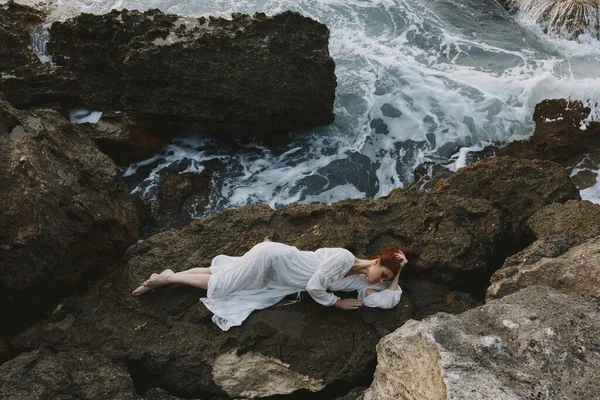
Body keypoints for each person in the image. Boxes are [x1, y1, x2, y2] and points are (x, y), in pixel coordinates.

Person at [132, 241, 419, 330]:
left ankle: (172, 273)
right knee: (221, 285)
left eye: (383, 278)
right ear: (375, 260)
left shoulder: (357, 279)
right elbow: (315, 286)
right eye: (382, 273)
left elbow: (386, 299)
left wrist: (399, 272)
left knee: (222, 271)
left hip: (278, 276)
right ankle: (165, 279)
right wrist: (336, 302)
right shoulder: (343, 258)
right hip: (271, 258)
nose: (379, 280)